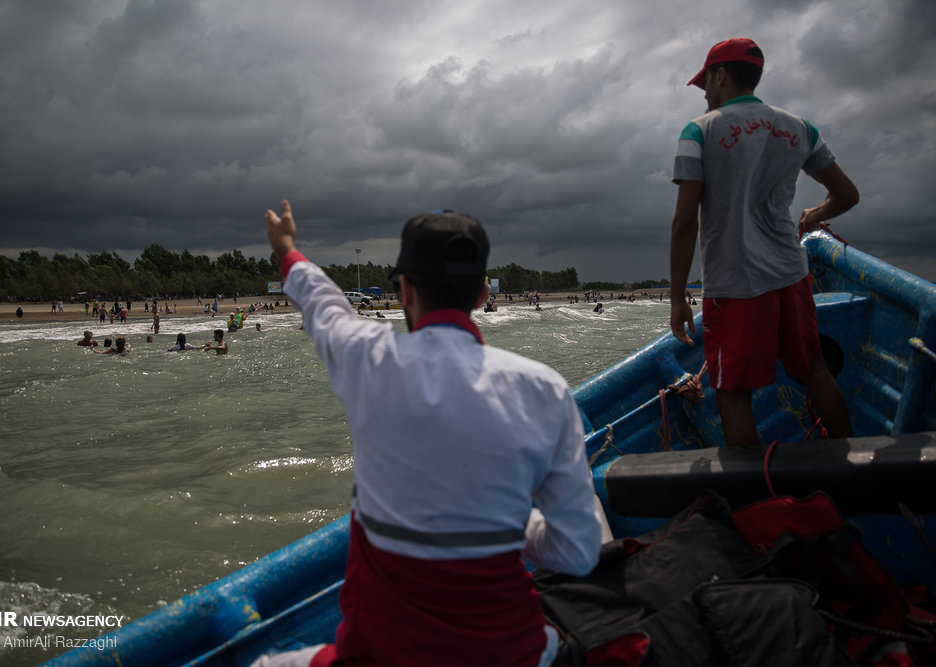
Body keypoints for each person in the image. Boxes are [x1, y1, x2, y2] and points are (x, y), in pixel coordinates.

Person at [252, 201, 606, 667]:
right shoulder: (544, 389)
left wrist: (286, 249)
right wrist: (509, 522)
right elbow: (578, 554)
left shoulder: (367, 359)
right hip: (513, 654)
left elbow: (323, 305)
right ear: (482, 295)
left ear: (404, 289)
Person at [669, 38, 857, 447]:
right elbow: (846, 195)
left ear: (721, 76)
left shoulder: (698, 132)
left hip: (733, 284)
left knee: (732, 394)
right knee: (814, 370)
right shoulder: (800, 128)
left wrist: (677, 297)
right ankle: (855, 466)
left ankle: (756, 488)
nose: (705, 94)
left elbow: (684, 223)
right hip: (792, 275)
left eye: (706, 84)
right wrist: (813, 215)